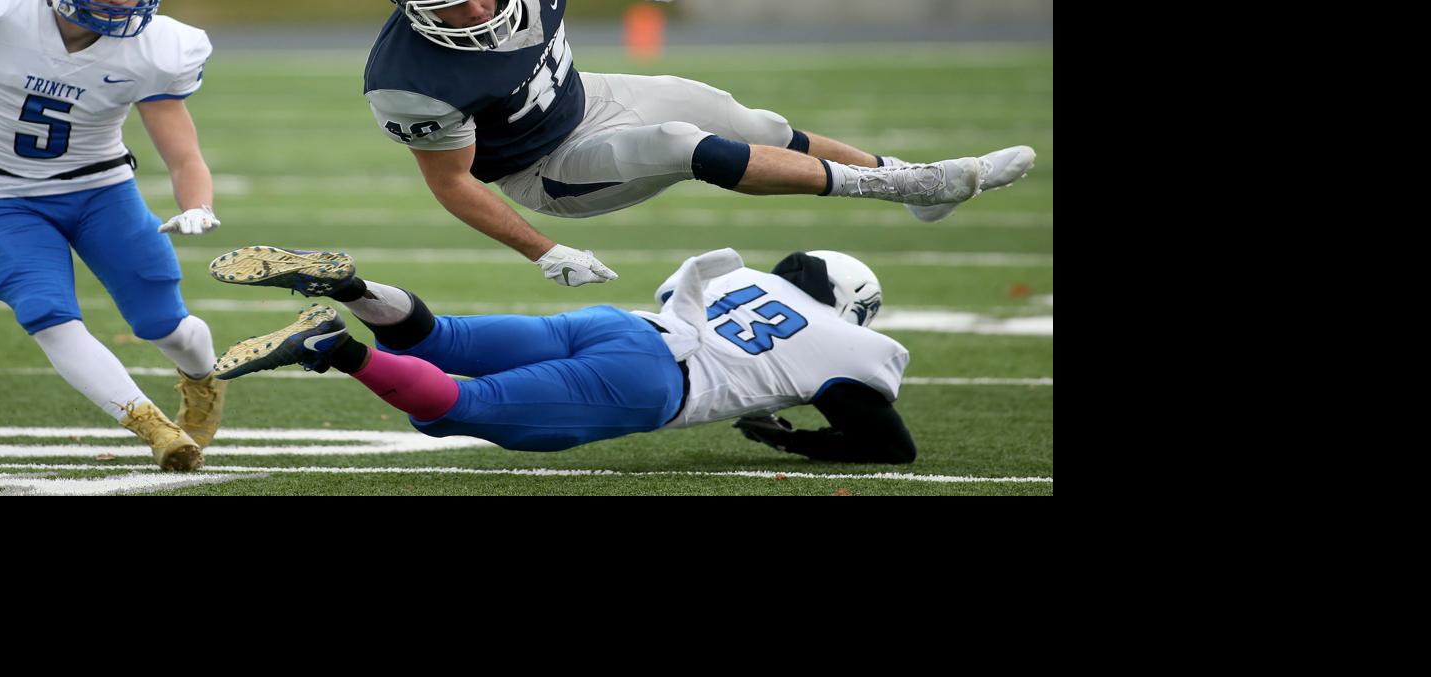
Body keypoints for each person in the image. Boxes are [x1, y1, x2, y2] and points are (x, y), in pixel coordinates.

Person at [366, 0, 1036, 287]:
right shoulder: (410, 82)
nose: (477, 12)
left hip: (588, 93)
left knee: (758, 126)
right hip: (544, 166)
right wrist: (544, 251)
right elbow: (452, 181)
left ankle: (916, 190)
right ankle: (912, 185)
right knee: (680, 142)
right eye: (451, 6)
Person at [205, 244, 918, 463]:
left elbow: (687, 295)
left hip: (613, 325)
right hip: (650, 378)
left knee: (437, 338)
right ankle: (335, 347)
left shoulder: (745, 277)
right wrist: (792, 438)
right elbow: (890, 447)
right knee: (458, 409)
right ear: (851, 303)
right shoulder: (854, 344)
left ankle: (352, 286)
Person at [0, 0, 225, 471]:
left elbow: (184, 155)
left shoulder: (159, 48)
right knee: (46, 313)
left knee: (164, 324)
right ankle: (153, 427)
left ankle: (203, 378)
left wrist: (198, 205)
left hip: (101, 191)